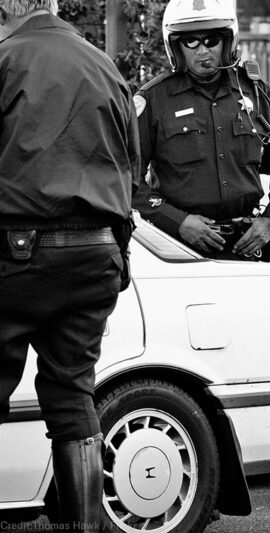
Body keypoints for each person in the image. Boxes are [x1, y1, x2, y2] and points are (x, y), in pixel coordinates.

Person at [0, 0, 139, 530]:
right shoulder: (105, 67)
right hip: (95, 252)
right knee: (72, 392)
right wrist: (119, 254)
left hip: (16, 250)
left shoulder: (7, 60)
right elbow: (129, 171)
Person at [133, 0, 270, 260]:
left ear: (228, 42)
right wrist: (177, 221)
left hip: (246, 248)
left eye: (212, 40)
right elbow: (126, 177)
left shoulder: (257, 94)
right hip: (179, 250)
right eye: (191, 42)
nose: (203, 50)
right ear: (175, 47)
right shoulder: (153, 100)